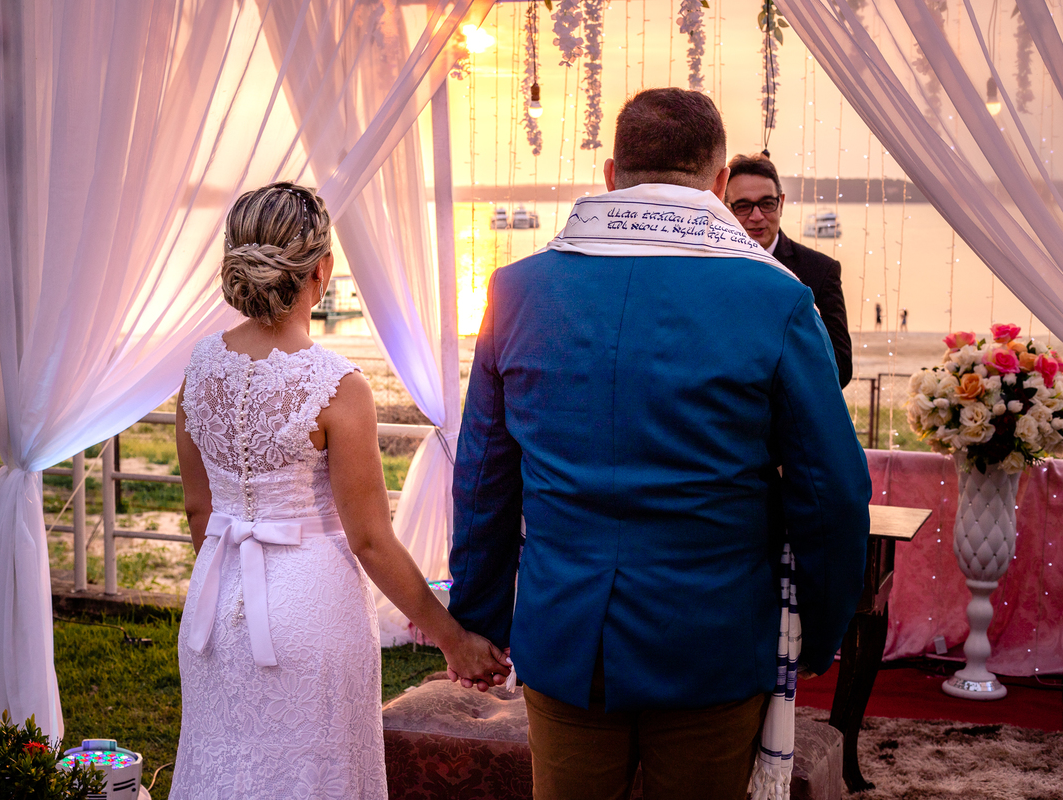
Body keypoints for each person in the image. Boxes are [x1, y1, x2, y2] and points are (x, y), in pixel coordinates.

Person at [448, 89, 871, 800]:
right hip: (712, 637)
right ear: (718, 183)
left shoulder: (516, 290)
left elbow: (484, 476)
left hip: (565, 630)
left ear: (611, 175)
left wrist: (477, 617)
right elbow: (832, 491)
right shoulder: (776, 298)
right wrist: (820, 629)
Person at [170, 183, 509, 798]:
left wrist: (233, 594)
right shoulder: (336, 385)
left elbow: (200, 510)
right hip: (312, 615)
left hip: (214, 608)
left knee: (225, 766)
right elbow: (371, 540)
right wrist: (453, 639)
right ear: (321, 269)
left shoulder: (199, 368)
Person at [723, 154, 854, 388]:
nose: (757, 216)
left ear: (781, 203)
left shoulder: (821, 271)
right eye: (743, 206)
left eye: (767, 203)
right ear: (726, 209)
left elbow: (841, 368)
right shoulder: (710, 267)